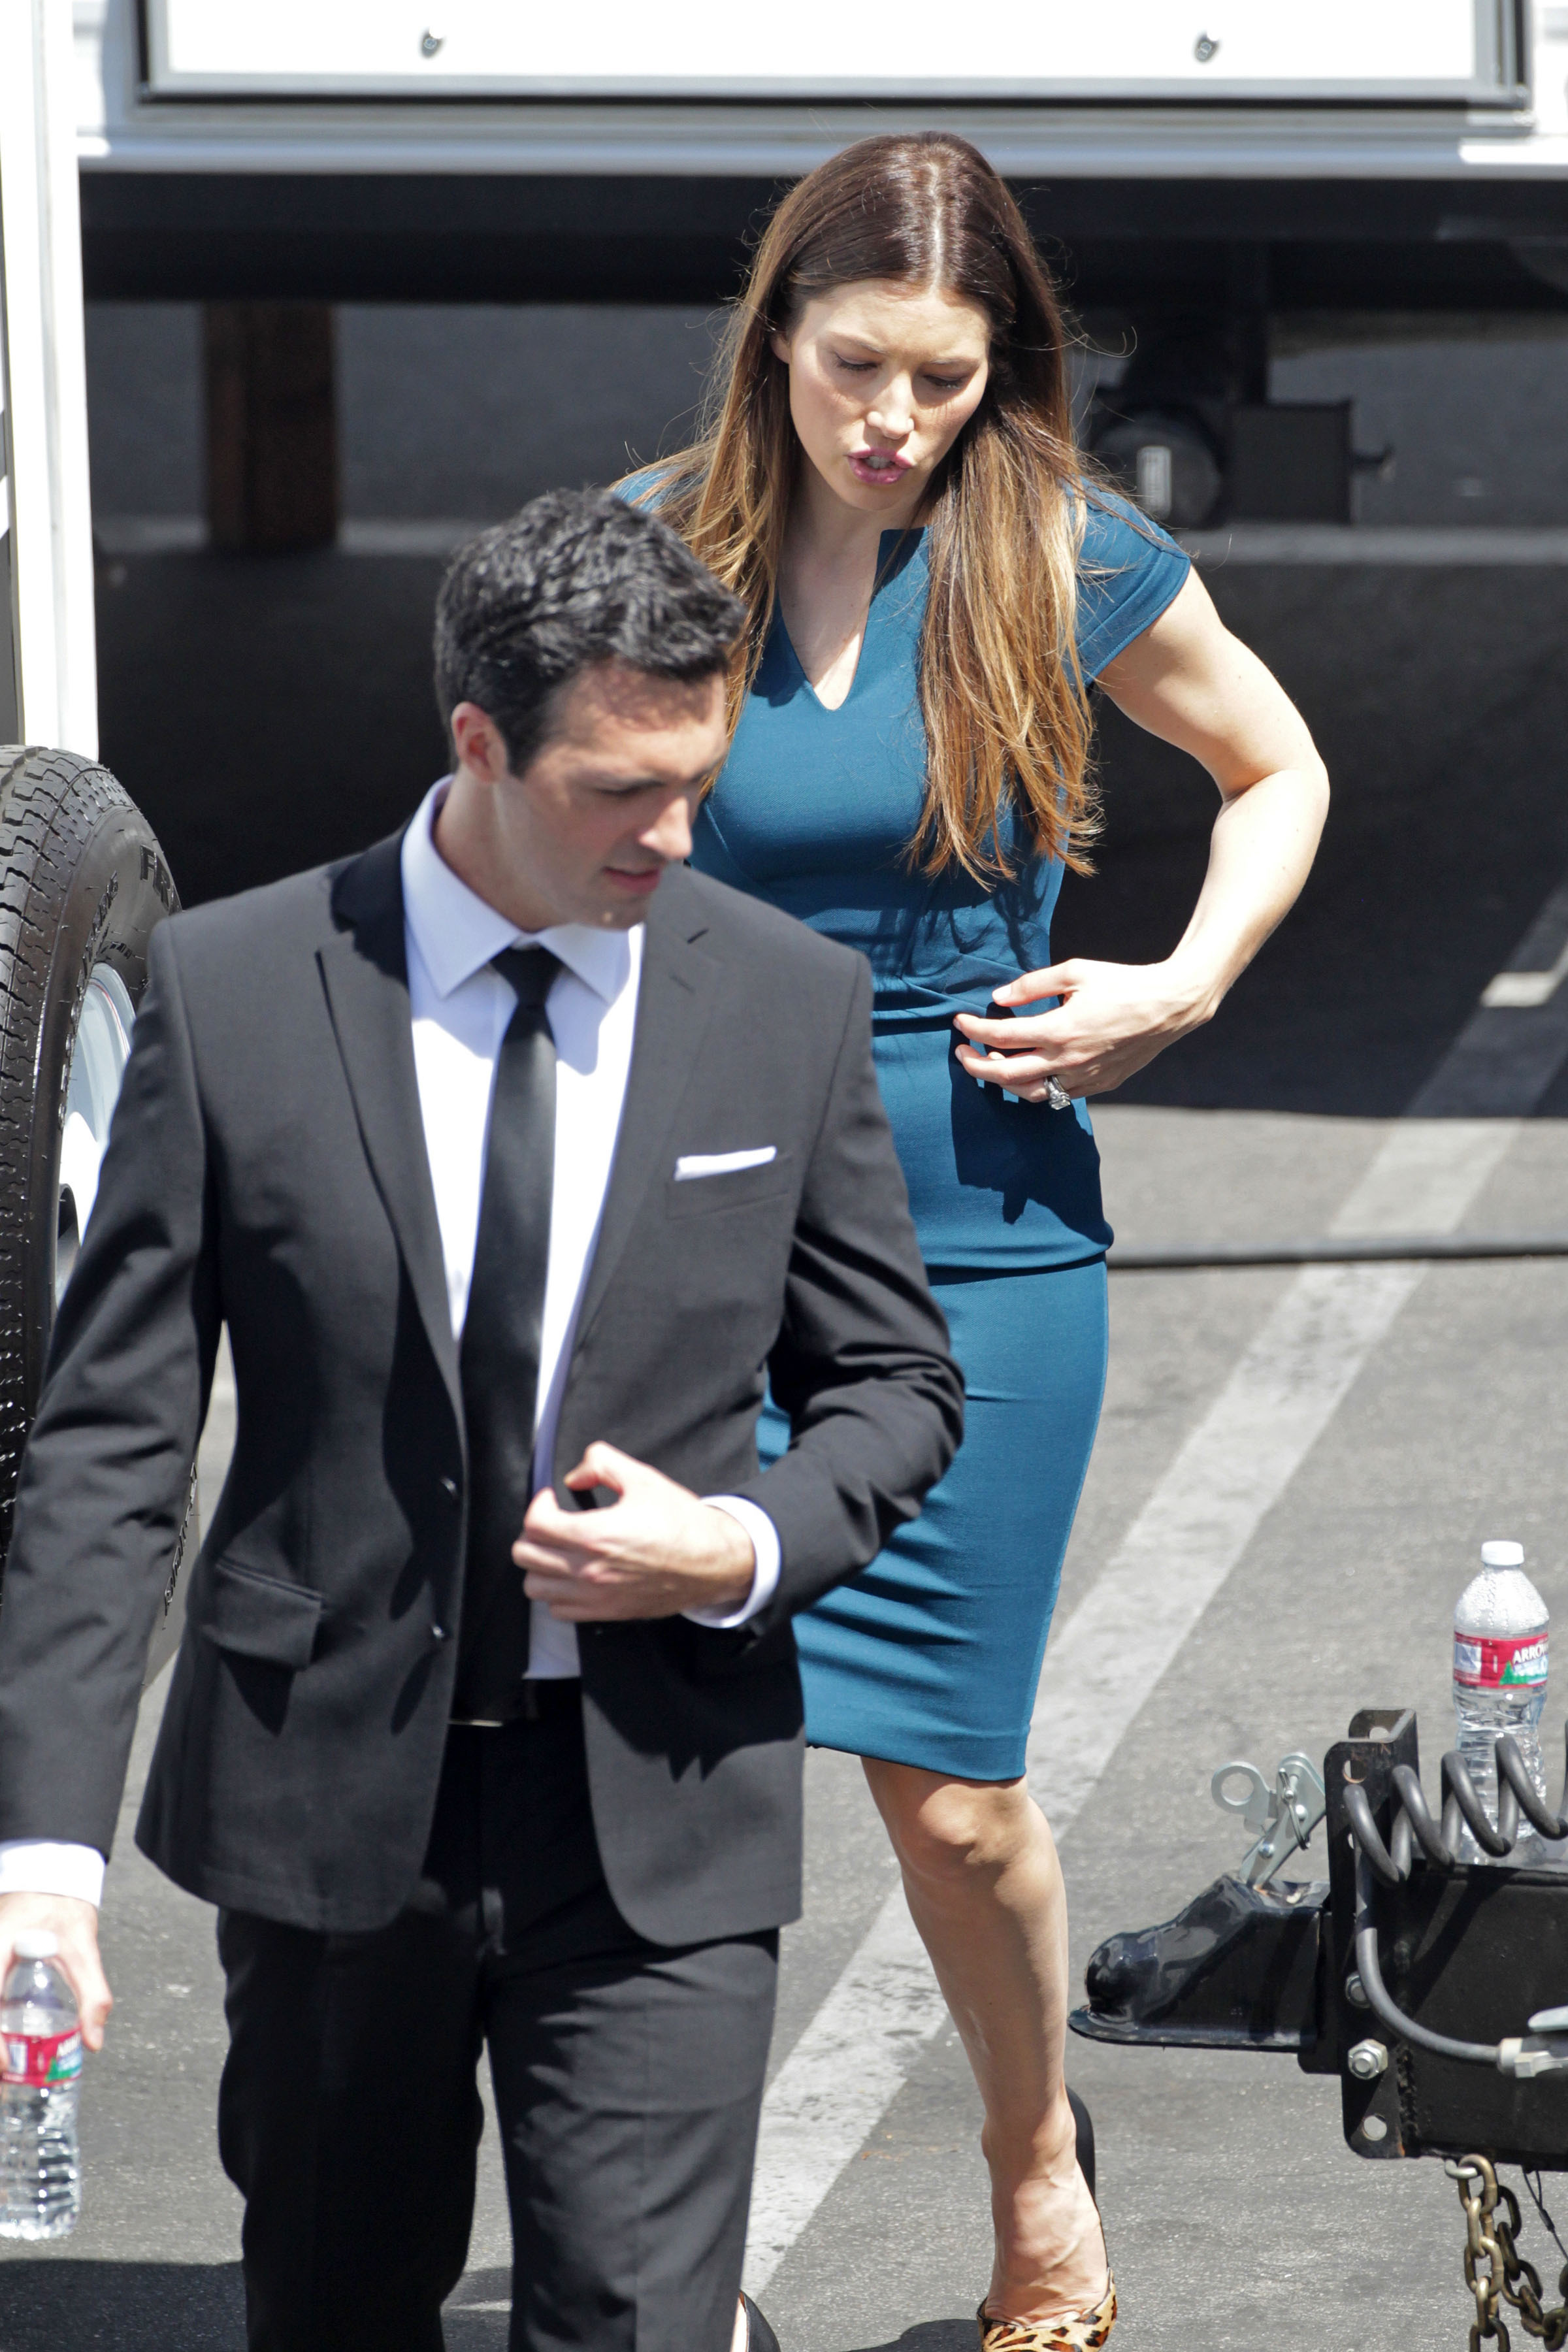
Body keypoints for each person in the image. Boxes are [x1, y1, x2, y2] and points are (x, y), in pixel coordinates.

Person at [0, 489, 965, 2352]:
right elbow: (112, 1446)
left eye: (699, 782)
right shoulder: (235, 989)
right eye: (619, 790)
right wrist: (42, 1866)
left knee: (639, 2324)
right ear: (479, 745)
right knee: (337, 2307)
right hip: (328, 1810)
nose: (671, 835)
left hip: (660, 1807)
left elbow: (895, 1385)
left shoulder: (784, 1002)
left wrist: (735, 1543)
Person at [626, 133, 1330, 2349]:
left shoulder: (1062, 548)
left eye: (943, 378)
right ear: (778, 337)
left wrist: (1180, 985)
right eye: (857, 366)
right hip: (692, 1231)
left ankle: (1037, 2160)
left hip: (982, 1234)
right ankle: (668, 2263)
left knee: (949, 1806)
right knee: (675, 1779)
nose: (895, 419)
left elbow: (1279, 767)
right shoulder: (655, 549)